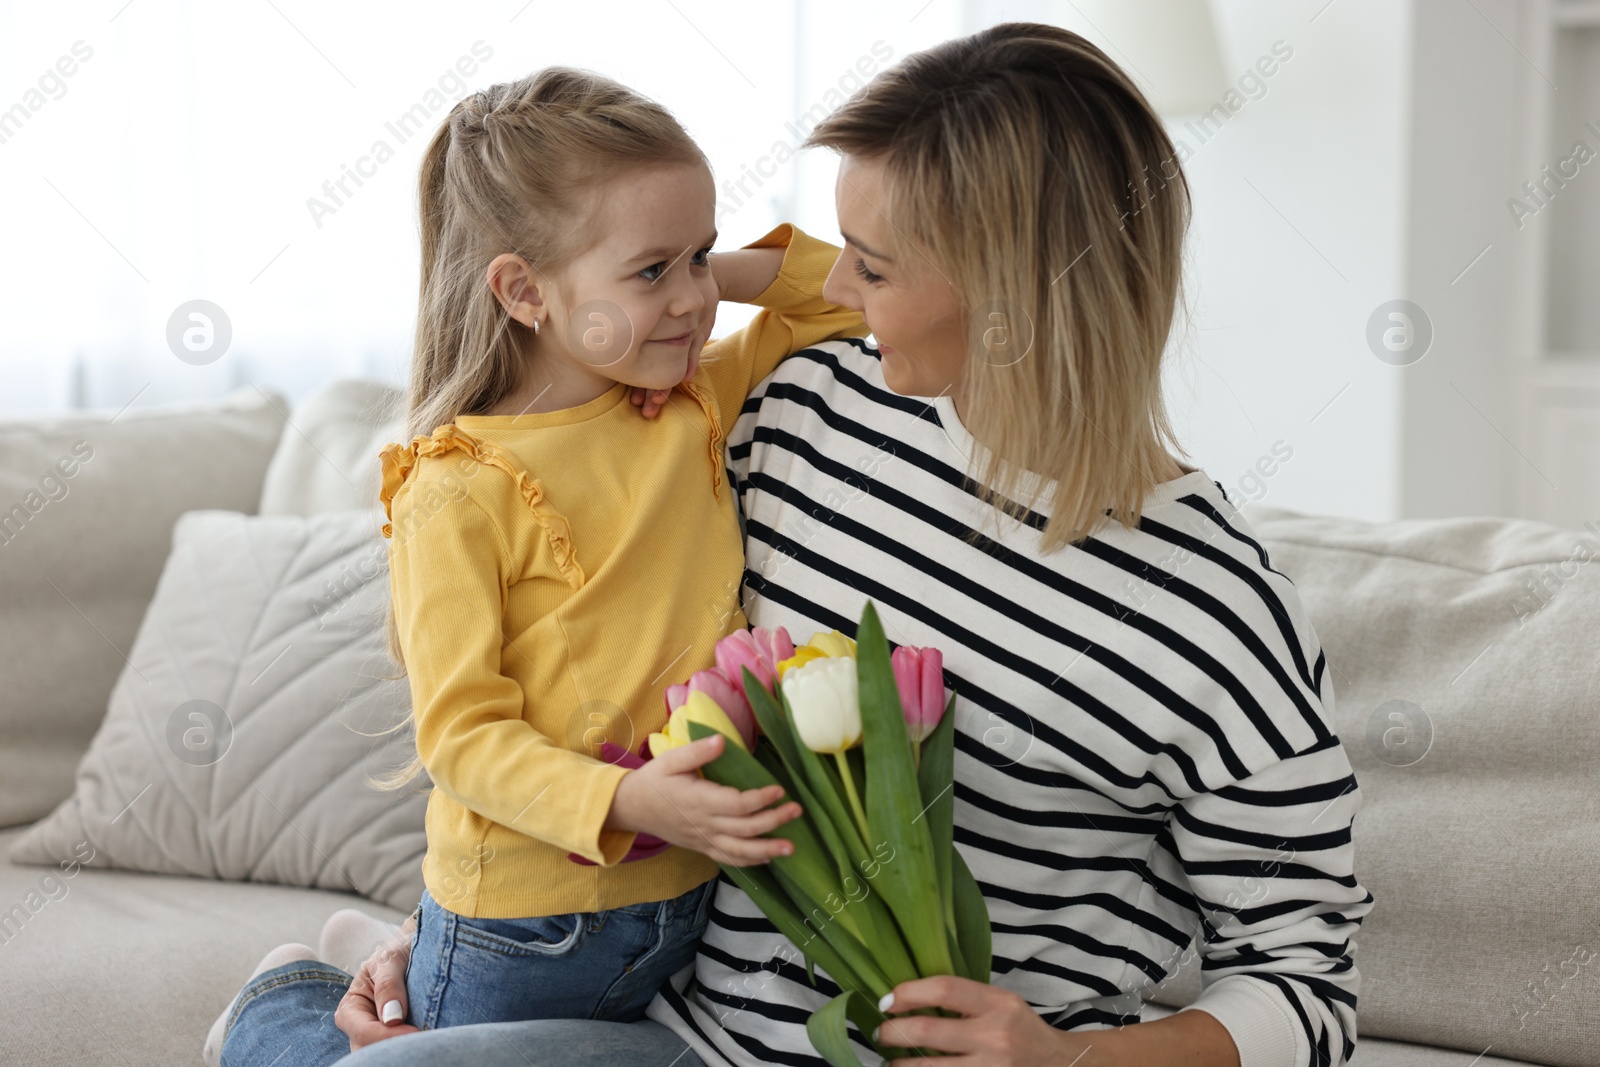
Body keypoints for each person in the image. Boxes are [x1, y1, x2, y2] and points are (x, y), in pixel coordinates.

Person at [224, 22, 1375, 1067]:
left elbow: (1307, 983)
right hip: (676, 1029)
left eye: (871, 263)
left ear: (1010, 290)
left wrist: (1069, 1062)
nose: (833, 281)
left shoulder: (1214, 608)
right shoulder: (809, 405)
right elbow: (579, 651)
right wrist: (452, 946)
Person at [203, 65, 866, 1066]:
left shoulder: (687, 403)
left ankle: (363, 952)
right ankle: (276, 1004)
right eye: (652, 271)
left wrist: (693, 268)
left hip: (675, 908)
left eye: (698, 256)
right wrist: (628, 801)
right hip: (522, 926)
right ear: (520, 290)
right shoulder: (458, 486)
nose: (692, 298)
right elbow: (463, 739)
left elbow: (846, 297)